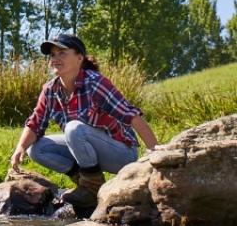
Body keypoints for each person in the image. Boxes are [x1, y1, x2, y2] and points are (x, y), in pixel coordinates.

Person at [10, 33, 159, 208]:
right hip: (86, 152)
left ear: (79, 58)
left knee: (74, 129)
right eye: (53, 55)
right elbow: (35, 122)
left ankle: (91, 187)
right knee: (36, 149)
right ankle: (85, 182)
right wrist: (20, 148)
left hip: (121, 153)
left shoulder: (95, 83)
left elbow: (131, 115)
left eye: (62, 53)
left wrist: (155, 153)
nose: (55, 59)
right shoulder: (50, 90)